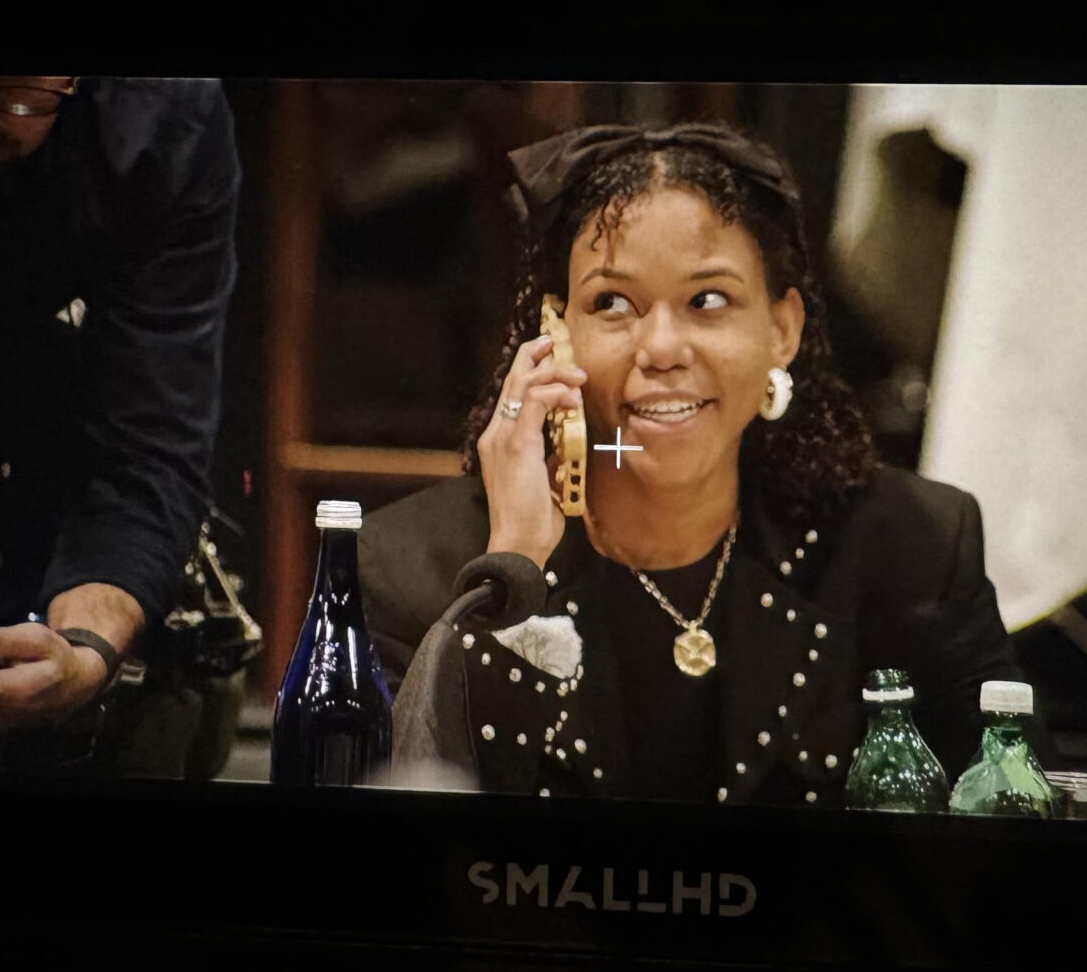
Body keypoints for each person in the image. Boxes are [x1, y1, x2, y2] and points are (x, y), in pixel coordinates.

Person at [361, 121, 1028, 805]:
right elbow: (411, 862)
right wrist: (512, 576)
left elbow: (1008, 835)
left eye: (707, 300)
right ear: (556, 338)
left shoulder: (915, 549)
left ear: (782, 330)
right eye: (612, 304)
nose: (661, 347)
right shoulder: (410, 570)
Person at [0, 74, 241, 765]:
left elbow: (149, 447)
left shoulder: (163, 111)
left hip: (48, 534)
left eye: (18, 90)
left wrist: (82, 656)